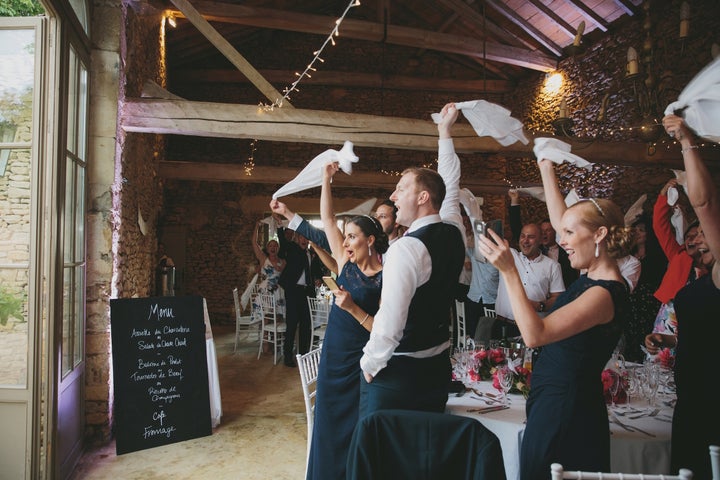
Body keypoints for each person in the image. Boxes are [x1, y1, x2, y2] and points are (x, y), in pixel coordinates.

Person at [477, 157, 634, 479]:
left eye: (569, 233)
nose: (562, 241)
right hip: (555, 399)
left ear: (600, 234)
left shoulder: (604, 293)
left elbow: (535, 335)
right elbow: (563, 218)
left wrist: (509, 271)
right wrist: (546, 166)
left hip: (568, 411)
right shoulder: (592, 276)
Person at [358, 103, 465, 417]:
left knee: (385, 460)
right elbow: (450, 183)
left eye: (401, 188)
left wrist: (370, 363)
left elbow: (391, 320)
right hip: (437, 370)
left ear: (423, 198)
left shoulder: (406, 249)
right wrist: (444, 132)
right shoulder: (454, 229)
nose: (393, 196)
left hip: (399, 376)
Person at [305, 161, 387, 480]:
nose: (347, 242)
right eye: (347, 237)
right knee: (328, 423)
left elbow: (380, 330)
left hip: (360, 361)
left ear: (370, 240)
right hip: (334, 357)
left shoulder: (385, 278)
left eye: (353, 236)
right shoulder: (344, 263)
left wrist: (353, 308)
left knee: (355, 426)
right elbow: (327, 219)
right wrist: (326, 180)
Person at [661, 114, 720, 479]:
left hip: (711, 403)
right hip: (691, 400)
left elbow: (704, 203)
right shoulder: (698, 276)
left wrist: (686, 141)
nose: (697, 239)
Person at [643, 177, 705, 355]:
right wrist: (663, 198)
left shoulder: (714, 264)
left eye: (698, 235)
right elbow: (660, 226)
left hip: (698, 315)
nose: (692, 239)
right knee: (660, 357)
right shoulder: (678, 255)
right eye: (688, 236)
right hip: (670, 313)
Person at [493, 222, 565, 339]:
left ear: (541, 240)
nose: (525, 241)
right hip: (502, 325)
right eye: (523, 236)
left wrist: (539, 306)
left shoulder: (552, 266)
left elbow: (558, 298)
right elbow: (487, 241)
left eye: (531, 237)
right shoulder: (508, 255)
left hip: (532, 327)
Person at [623, 213, 666, 362]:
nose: (638, 233)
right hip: (632, 305)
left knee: (647, 340)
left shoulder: (658, 256)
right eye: (635, 230)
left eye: (642, 230)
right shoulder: (628, 256)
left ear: (650, 233)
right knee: (630, 339)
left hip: (650, 305)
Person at [274, 226, 318, 367]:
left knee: (306, 325)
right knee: (292, 325)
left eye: (306, 238)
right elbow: (283, 241)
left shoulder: (311, 254)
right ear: (297, 238)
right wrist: (280, 226)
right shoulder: (292, 249)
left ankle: (304, 355)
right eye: (301, 237)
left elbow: (314, 271)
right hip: (293, 292)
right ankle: (288, 356)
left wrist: (317, 279)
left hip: (307, 293)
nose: (304, 240)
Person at [251, 221, 286, 318]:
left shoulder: (283, 262)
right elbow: (254, 242)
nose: (273, 247)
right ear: (267, 249)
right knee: (266, 317)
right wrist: (256, 226)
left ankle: (277, 333)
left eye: (275, 246)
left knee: (278, 318)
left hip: (278, 292)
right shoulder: (263, 259)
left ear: (278, 248)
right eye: (270, 246)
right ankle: (265, 333)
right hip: (265, 292)